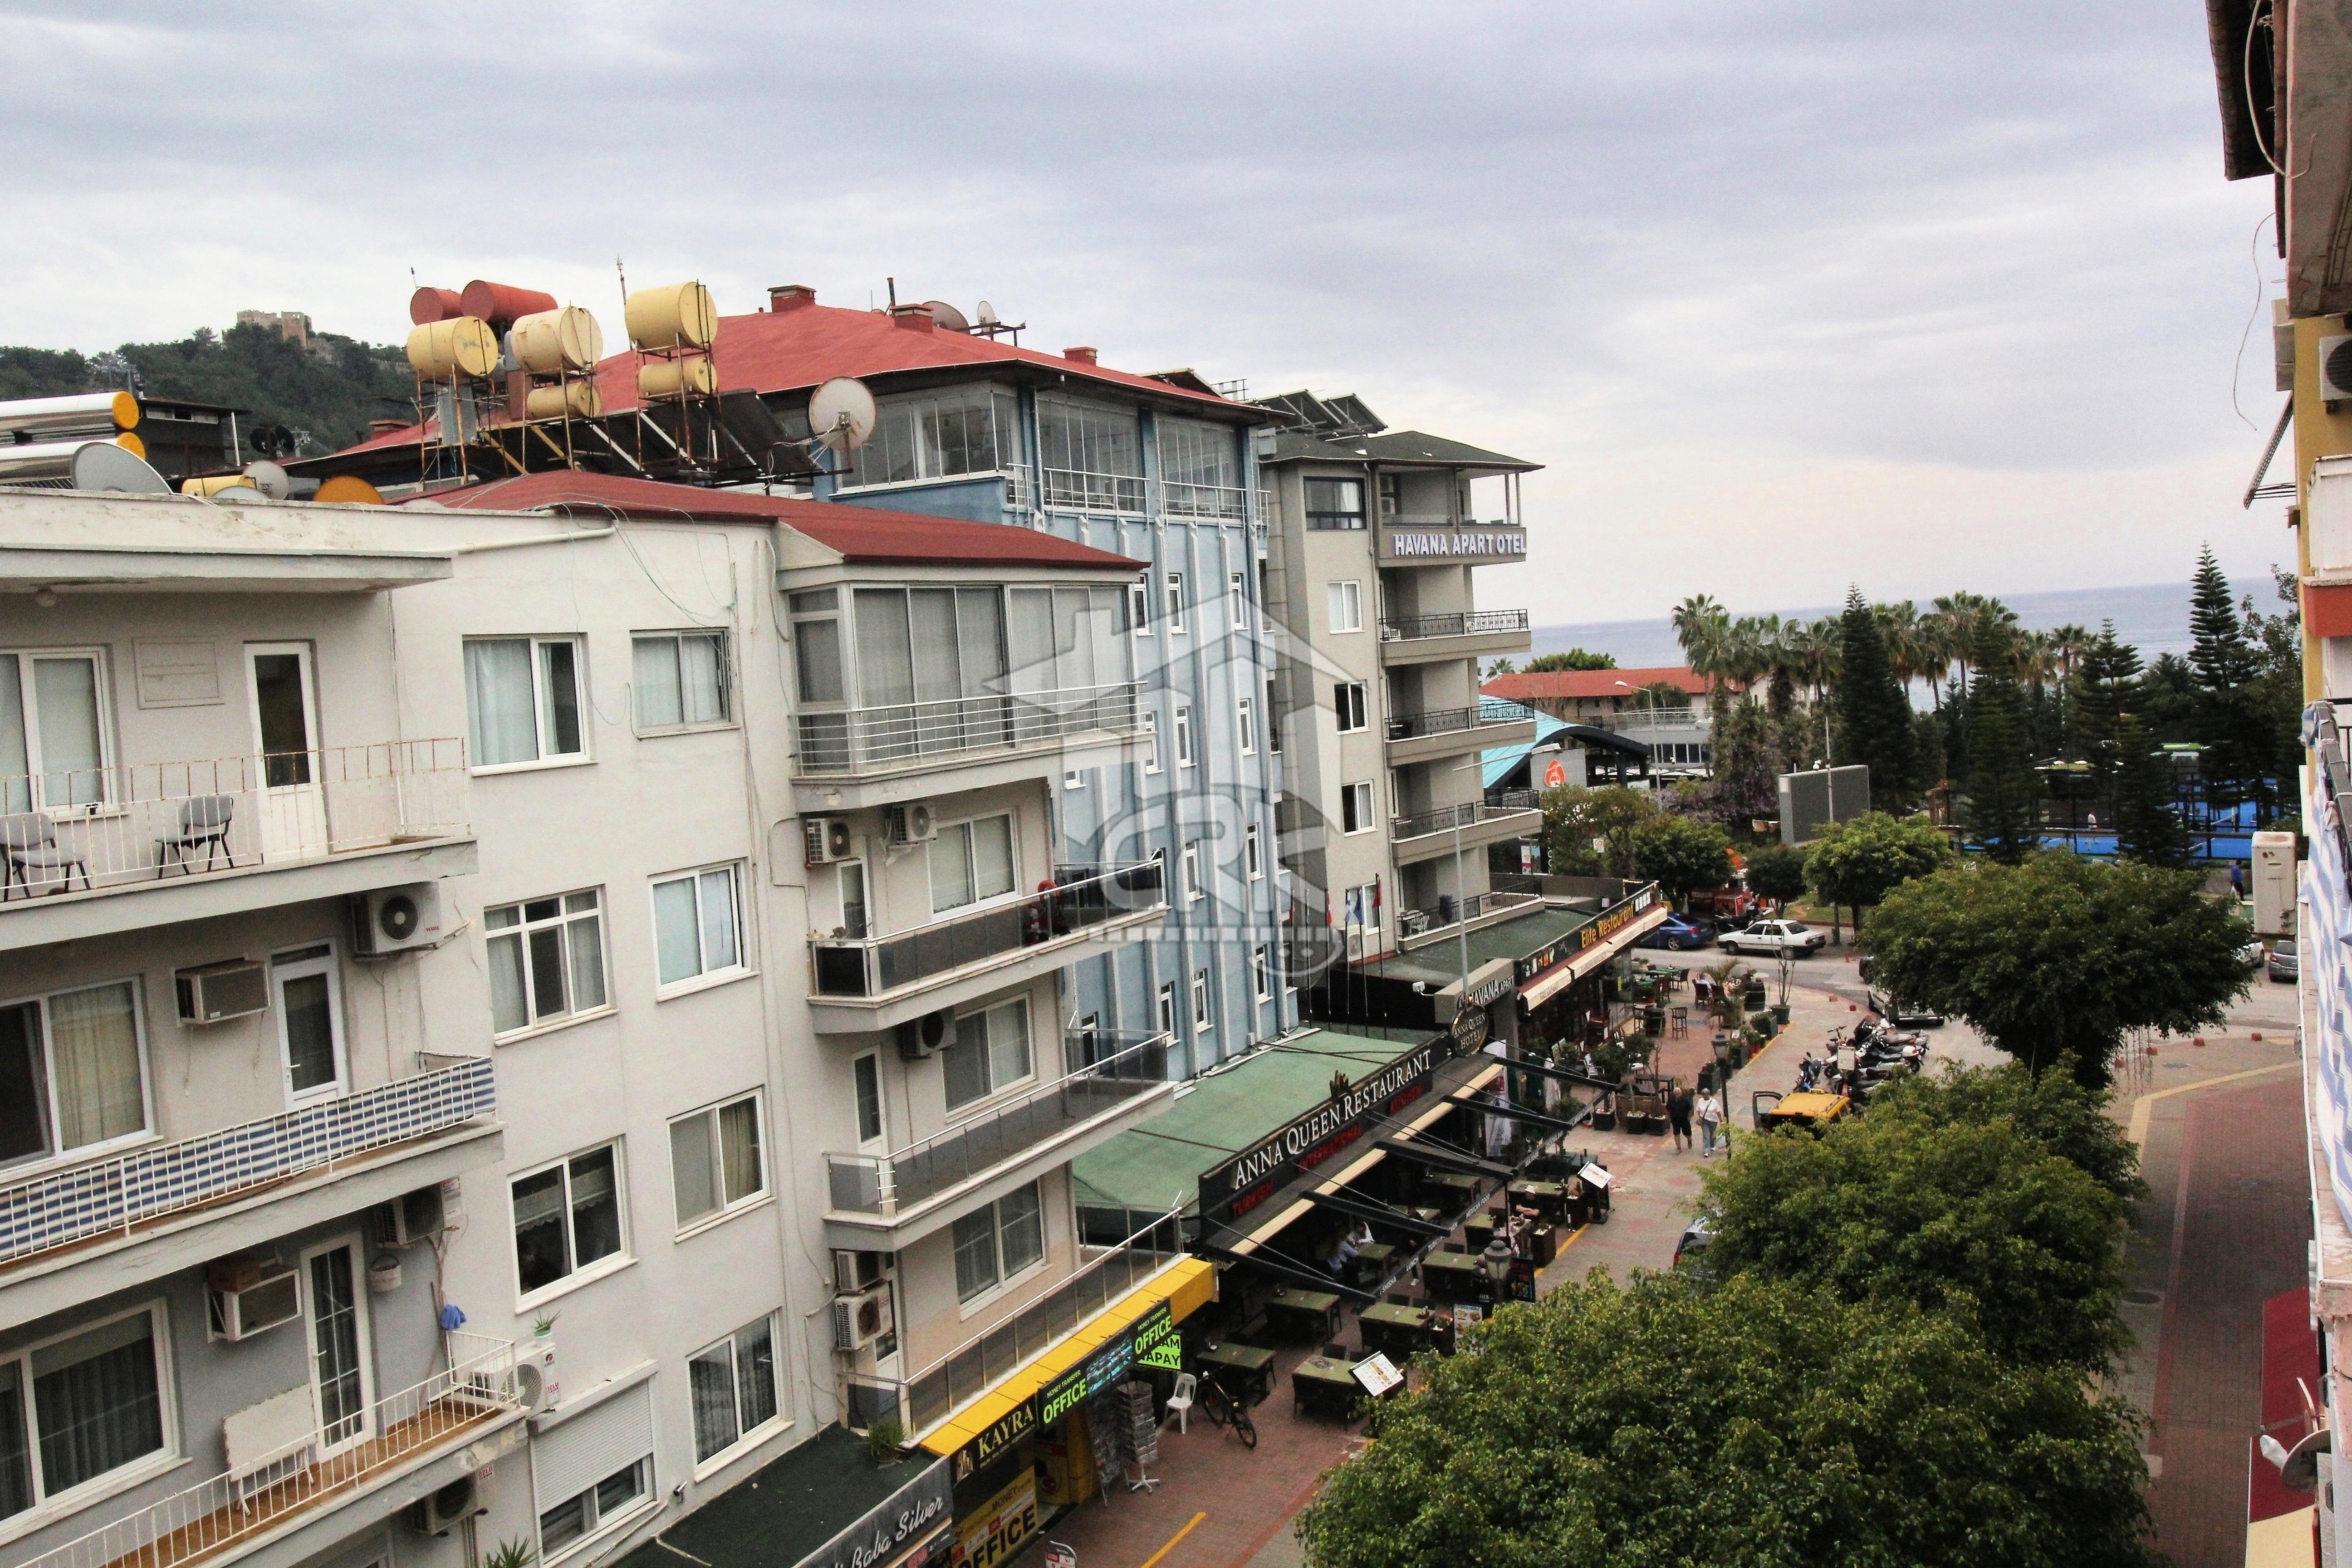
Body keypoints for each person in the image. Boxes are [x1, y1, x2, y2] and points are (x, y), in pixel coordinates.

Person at [1695, 1088, 1725, 1158]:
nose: (1703, 1096)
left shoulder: (1713, 1102)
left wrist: (1721, 1120)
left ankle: (1712, 1145)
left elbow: (1718, 1112)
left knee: (1712, 1134)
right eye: (1702, 1094)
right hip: (1704, 1121)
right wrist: (1700, 1117)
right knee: (1707, 1135)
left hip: (1713, 1121)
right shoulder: (1700, 1101)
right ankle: (1706, 1151)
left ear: (1708, 1094)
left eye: (1704, 1094)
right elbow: (1698, 1110)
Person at [1667, 1083, 1695, 1152]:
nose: (1678, 1096)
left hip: (1685, 1120)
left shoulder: (1685, 1101)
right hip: (1675, 1120)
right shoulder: (1671, 1100)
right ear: (1674, 1094)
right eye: (1677, 1094)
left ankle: (1689, 1140)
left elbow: (1691, 1109)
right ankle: (1679, 1148)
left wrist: (1689, 1117)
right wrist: (1669, 1117)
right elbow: (1668, 1109)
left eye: (1679, 1094)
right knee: (1676, 1134)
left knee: (1687, 1134)